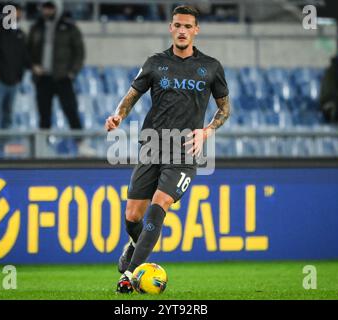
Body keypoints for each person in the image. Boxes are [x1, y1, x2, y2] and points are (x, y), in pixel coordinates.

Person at [104, 5, 231, 293]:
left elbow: (225, 108)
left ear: (196, 30)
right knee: (133, 217)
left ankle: (131, 274)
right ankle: (136, 244)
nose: (183, 30)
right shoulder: (154, 63)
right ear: (171, 28)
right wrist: (118, 116)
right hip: (151, 146)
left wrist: (208, 130)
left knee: (160, 203)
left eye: (188, 26)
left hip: (185, 151)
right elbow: (132, 95)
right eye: (178, 25)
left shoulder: (211, 67)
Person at [27, 1, 84, 132]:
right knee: (44, 113)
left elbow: (79, 52)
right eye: (45, 8)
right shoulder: (36, 27)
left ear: (57, 8)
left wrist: (72, 72)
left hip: (63, 77)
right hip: (43, 78)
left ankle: (81, 143)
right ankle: (43, 147)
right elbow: (27, 51)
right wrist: (33, 66)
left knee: (71, 110)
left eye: (50, 7)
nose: (47, 11)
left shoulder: (69, 27)